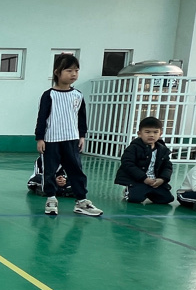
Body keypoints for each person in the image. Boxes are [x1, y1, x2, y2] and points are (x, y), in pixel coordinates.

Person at [34, 53, 103, 216]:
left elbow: (81, 117)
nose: (74, 74)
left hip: (71, 139)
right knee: (50, 171)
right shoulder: (49, 95)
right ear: (57, 72)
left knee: (76, 170)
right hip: (51, 140)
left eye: (76, 70)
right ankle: (51, 199)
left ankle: (81, 201)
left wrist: (82, 136)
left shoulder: (77, 95)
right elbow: (42, 117)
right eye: (69, 70)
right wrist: (40, 138)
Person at [113, 116, 175, 205]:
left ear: (160, 134)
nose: (151, 135)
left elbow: (167, 166)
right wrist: (144, 178)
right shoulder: (133, 148)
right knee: (135, 199)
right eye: (147, 132)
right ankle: (129, 190)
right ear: (139, 133)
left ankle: (149, 191)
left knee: (167, 199)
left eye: (155, 132)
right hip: (137, 180)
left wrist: (162, 179)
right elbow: (127, 164)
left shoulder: (163, 150)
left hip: (154, 181)